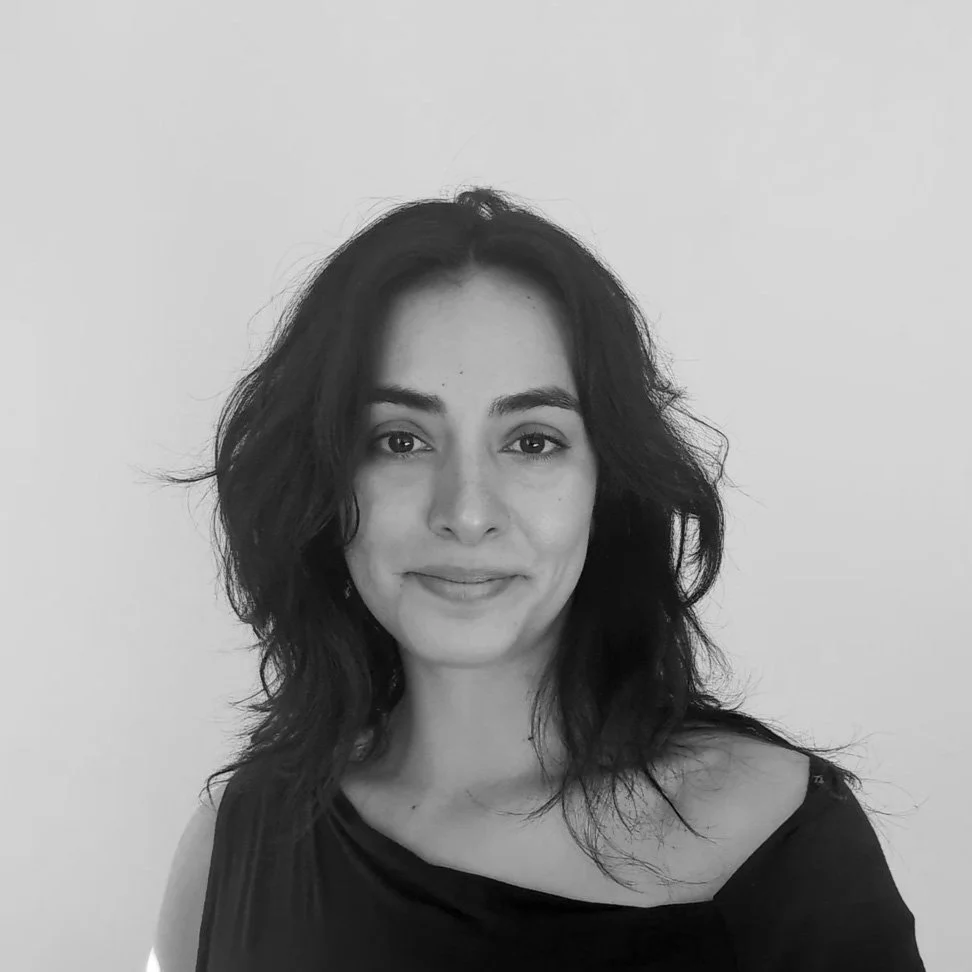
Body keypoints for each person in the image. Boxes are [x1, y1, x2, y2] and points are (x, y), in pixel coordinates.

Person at [151, 187, 925, 971]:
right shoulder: (232, 843)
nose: (466, 510)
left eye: (531, 441)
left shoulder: (775, 839)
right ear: (325, 482)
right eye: (400, 440)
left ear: (607, 485)